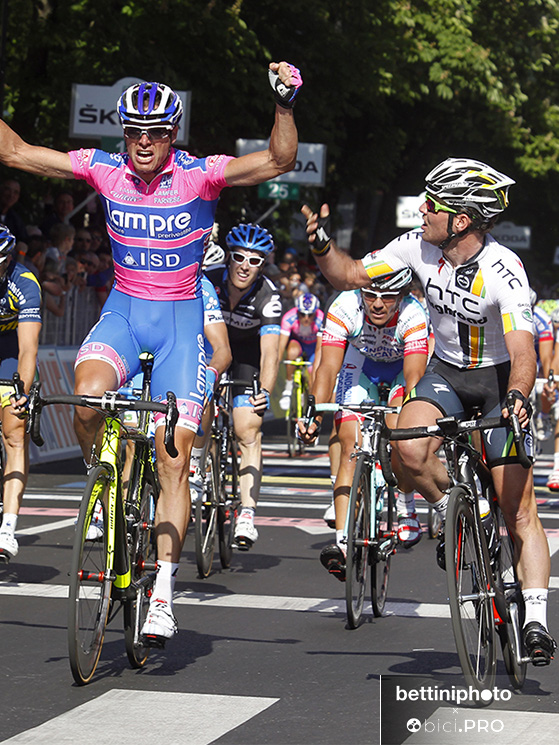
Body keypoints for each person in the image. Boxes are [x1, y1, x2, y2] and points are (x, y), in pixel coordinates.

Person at [0, 61, 301, 642]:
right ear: (123, 133)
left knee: (173, 457)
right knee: (86, 400)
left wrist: (283, 105)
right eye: (133, 130)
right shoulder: (105, 169)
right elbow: (14, 152)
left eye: (155, 132)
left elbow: (279, 161)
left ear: (172, 134)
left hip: (180, 325)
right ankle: (102, 476)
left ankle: (162, 587)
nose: (143, 141)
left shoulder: (200, 176)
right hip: (124, 314)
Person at [301, 157, 556, 664]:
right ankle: (447, 504)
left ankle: (535, 616)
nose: (422, 209)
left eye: (433, 204)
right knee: (406, 448)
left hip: (500, 380)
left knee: (517, 508)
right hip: (447, 374)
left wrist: (519, 397)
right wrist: (321, 245)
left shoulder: (503, 269)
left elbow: (524, 351)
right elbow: (350, 274)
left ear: (460, 219)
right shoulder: (413, 248)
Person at [298, 269, 429, 579]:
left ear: (403, 296)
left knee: (401, 434)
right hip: (360, 367)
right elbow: (328, 368)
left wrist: (410, 410)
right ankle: (342, 545)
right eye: (370, 296)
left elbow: (413, 378)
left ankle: (407, 503)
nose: (378, 304)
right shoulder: (344, 306)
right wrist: (314, 414)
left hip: (400, 371)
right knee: (349, 444)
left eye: (388, 297)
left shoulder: (413, 312)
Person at [205, 223, 282, 550]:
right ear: (229, 257)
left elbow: (271, 353)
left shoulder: (268, 295)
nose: (244, 267)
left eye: (254, 261)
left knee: (247, 428)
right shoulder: (211, 279)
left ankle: (247, 513)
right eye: (238, 257)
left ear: (263, 265)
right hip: (212, 347)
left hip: (248, 355)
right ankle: (200, 473)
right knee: (199, 413)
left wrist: (263, 391)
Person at [0, 226, 42, 561]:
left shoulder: (24, 281)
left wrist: (22, 390)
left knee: (14, 433)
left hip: (11, 347)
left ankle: (8, 527)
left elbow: (28, 349)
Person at [278, 292, 324, 410]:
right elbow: (281, 345)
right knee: (292, 352)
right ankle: (288, 389)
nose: (306, 318)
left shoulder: (321, 319)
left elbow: (321, 347)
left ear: (316, 313)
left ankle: (309, 403)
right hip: (298, 343)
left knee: (313, 376)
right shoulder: (289, 318)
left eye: (310, 315)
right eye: (302, 314)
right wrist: (276, 362)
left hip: (314, 347)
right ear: (297, 311)